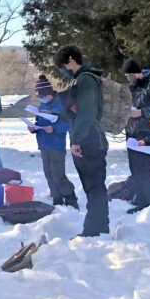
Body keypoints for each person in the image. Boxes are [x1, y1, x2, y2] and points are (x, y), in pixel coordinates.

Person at [54, 45, 110, 237]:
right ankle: (100, 227)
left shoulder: (85, 79)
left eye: (63, 66)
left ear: (71, 60)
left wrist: (76, 140)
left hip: (89, 138)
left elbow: (86, 112)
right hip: (91, 135)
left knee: (93, 185)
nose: (63, 70)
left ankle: (94, 230)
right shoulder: (87, 78)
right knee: (94, 185)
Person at [29, 75, 77, 208]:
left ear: (49, 93)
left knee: (58, 175)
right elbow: (40, 123)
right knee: (48, 173)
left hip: (56, 145)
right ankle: (57, 198)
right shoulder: (42, 105)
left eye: (42, 96)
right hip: (44, 145)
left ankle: (70, 197)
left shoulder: (60, 104)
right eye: (39, 97)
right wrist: (34, 128)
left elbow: (67, 124)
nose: (41, 99)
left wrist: (54, 128)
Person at [122, 59, 150, 213]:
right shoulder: (131, 88)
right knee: (135, 169)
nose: (128, 79)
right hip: (132, 133)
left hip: (147, 134)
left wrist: (142, 112)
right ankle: (143, 198)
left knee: (142, 169)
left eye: (130, 75)